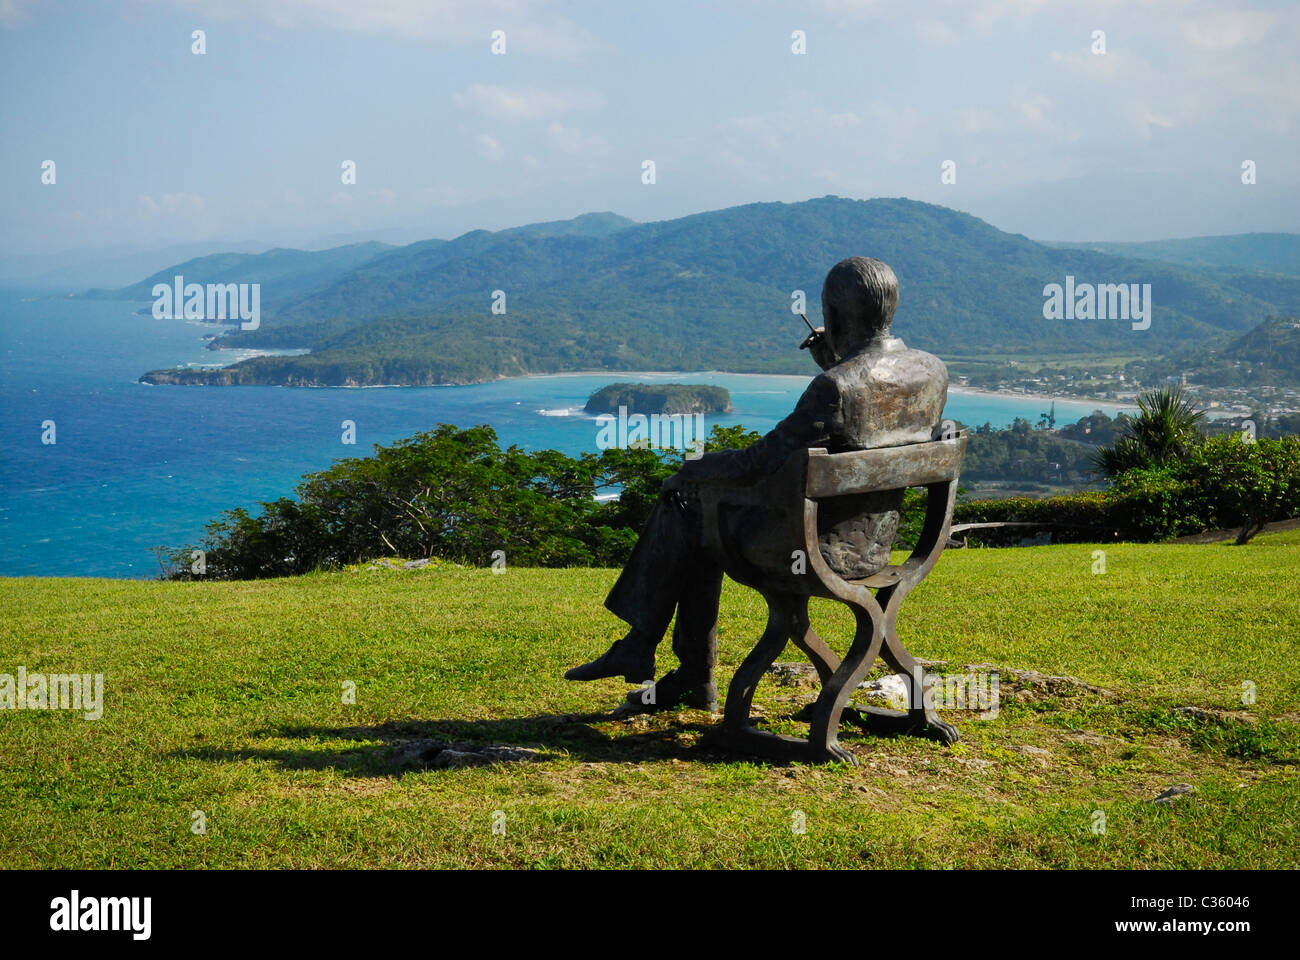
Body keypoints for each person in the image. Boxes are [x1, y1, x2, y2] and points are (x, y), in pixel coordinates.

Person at [564, 257, 948, 712]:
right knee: (700, 515)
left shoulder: (834, 386)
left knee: (686, 506)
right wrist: (836, 360)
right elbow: (866, 418)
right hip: (874, 546)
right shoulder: (931, 371)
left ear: (835, 315)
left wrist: (692, 469)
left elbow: (757, 461)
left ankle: (658, 653)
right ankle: (670, 664)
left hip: (807, 550)